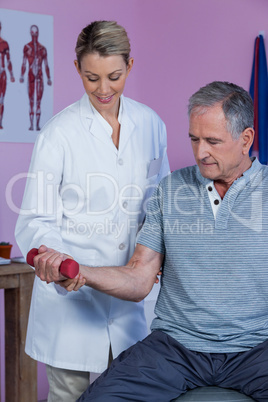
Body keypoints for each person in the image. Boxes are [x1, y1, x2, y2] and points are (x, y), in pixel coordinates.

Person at [33, 81, 268, 402]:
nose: (200, 152)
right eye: (194, 139)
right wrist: (81, 273)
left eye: (213, 141)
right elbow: (139, 277)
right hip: (176, 349)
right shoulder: (171, 189)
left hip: (256, 349)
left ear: (246, 140)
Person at [15, 20, 169, 401]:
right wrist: (55, 258)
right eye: (91, 77)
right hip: (72, 301)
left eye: (114, 76)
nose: (103, 89)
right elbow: (36, 218)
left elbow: (161, 205)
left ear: (130, 67)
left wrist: (164, 253)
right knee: (70, 395)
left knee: (134, 394)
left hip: (134, 300)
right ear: (77, 70)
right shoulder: (58, 134)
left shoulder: (151, 125)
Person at [19, 24, 52, 131]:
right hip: (30, 77)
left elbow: (46, 64)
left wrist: (48, 78)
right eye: (33, 34)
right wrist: (21, 75)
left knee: (38, 102)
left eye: (36, 34)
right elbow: (24, 63)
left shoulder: (43, 49)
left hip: (40, 77)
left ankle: (37, 125)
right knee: (31, 101)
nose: (34, 36)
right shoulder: (27, 48)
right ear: (30, 34)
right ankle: (31, 125)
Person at [0, 21, 15, 129]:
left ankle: (0, 122)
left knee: (1, 99)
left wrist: (11, 75)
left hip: (2, 74)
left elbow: (8, 60)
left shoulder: (4, 44)